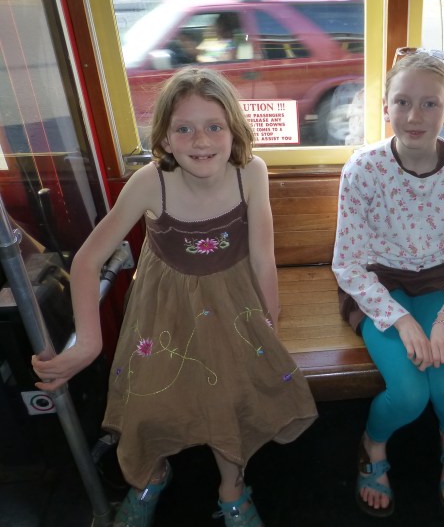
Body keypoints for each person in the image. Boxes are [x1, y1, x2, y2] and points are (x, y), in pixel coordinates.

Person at [31, 67, 318, 526]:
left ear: (234, 132)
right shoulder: (150, 183)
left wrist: (269, 322)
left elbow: (263, 258)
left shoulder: (251, 173)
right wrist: (89, 343)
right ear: (164, 139)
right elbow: (86, 262)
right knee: (148, 404)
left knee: (229, 400)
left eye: (213, 127)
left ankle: (233, 487)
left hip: (232, 302)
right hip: (165, 309)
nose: (200, 140)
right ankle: (151, 475)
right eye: (184, 128)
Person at [332, 50, 444, 518]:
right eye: (402, 102)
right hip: (378, 284)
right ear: (385, 108)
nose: (414, 116)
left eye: (429, 104)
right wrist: (401, 322)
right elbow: (349, 264)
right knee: (409, 394)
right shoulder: (363, 168)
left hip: (441, 283)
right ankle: (372, 445)